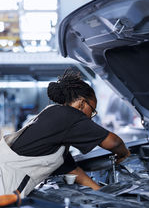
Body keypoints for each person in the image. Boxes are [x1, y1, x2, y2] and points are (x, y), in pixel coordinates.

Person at [0, 69, 130, 198]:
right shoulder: (69, 116)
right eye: (92, 110)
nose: (91, 117)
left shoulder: (56, 119)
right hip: (5, 186)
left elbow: (71, 169)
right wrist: (124, 154)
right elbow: (114, 142)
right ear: (81, 103)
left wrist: (101, 192)